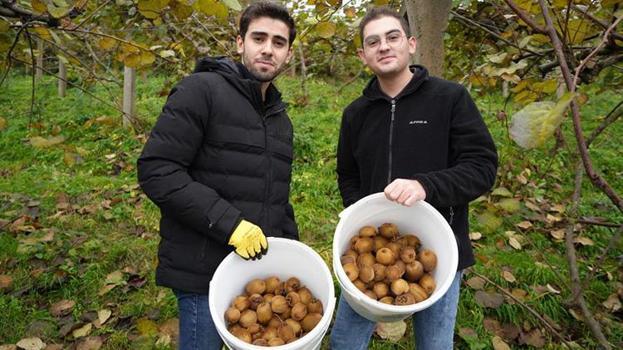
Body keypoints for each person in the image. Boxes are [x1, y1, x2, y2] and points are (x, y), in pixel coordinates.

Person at [330, 6, 498, 349]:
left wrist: (426, 185)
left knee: (434, 344)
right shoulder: (356, 114)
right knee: (345, 341)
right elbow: (347, 173)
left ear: (411, 44)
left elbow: (482, 167)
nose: (384, 46)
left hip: (439, 247)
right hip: (373, 249)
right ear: (363, 55)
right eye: (373, 42)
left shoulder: (450, 99)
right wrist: (359, 212)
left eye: (392, 37)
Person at [136, 2, 298, 349]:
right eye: (259, 38)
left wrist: (292, 251)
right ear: (240, 42)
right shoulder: (201, 91)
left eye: (279, 42)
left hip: (255, 276)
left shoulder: (280, 119)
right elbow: (157, 169)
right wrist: (231, 224)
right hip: (202, 270)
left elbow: (275, 195)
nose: (268, 48)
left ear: (288, 53)